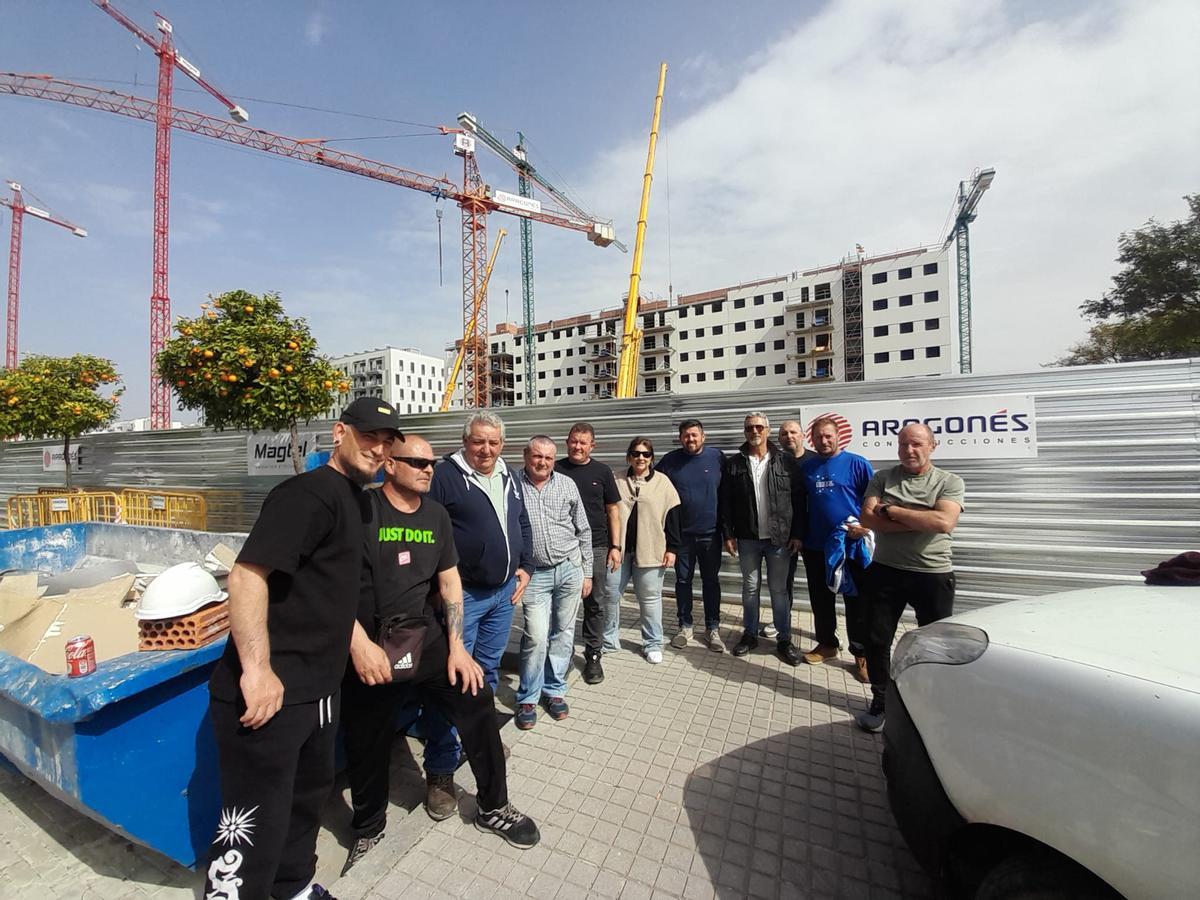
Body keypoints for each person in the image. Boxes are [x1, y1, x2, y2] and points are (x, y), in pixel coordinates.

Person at [203, 398, 401, 900]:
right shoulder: (307, 495)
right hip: (272, 694)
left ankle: (292, 888)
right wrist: (257, 670)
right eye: (369, 437)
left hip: (319, 690)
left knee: (305, 802)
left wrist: (358, 642)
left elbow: (327, 590)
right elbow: (247, 576)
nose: (379, 449)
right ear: (340, 433)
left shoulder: (356, 500)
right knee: (253, 819)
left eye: (387, 441)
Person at [340, 435, 539, 875]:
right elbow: (330, 584)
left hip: (425, 636)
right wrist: (358, 644)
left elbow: (449, 582)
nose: (428, 469)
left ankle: (493, 806)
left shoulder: (435, 515)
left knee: (477, 699)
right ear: (390, 465)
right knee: (367, 738)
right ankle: (369, 828)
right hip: (371, 645)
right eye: (417, 462)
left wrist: (457, 648)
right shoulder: (361, 510)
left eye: (431, 463)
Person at [423, 413, 533, 780]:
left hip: (503, 596)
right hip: (464, 596)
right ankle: (441, 767)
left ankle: (480, 739)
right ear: (465, 441)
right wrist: (435, 589)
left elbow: (521, 522)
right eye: (478, 441)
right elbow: (428, 534)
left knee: (487, 671)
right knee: (452, 678)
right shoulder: (445, 477)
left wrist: (526, 565)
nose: (486, 449)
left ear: (502, 444)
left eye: (493, 442)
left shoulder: (509, 475)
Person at [855, 423, 964, 733]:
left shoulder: (949, 481)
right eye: (903, 444)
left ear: (932, 446)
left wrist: (892, 511)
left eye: (916, 444)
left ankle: (930, 704)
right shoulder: (883, 478)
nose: (909, 450)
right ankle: (882, 700)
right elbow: (867, 519)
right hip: (885, 570)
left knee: (934, 644)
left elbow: (944, 522)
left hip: (932, 574)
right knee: (876, 639)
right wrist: (921, 518)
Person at [514, 435, 592, 729]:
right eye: (537, 456)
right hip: (534, 574)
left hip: (569, 568)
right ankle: (528, 696)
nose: (543, 462)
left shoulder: (567, 484)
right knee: (535, 635)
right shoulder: (513, 486)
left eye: (548, 457)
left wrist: (587, 572)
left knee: (563, 632)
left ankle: (555, 690)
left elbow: (583, 529)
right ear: (526, 455)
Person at [719, 411, 804, 665]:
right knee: (750, 588)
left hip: (779, 539)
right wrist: (728, 534)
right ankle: (750, 634)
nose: (754, 432)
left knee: (779, 590)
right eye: (749, 428)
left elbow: (799, 500)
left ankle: (784, 639)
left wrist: (797, 533)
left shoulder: (785, 461)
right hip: (748, 539)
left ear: (768, 430)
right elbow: (726, 503)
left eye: (758, 427)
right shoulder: (734, 464)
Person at [797, 416, 874, 681]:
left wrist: (864, 526)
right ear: (812, 439)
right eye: (818, 437)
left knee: (856, 601)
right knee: (821, 599)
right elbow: (801, 505)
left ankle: (861, 654)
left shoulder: (857, 463)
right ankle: (827, 644)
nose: (824, 440)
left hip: (850, 546)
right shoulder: (807, 468)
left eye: (828, 435)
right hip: (816, 545)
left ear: (838, 435)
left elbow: (873, 501)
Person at [555, 422, 621, 684]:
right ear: (567, 442)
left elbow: (613, 510)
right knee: (563, 603)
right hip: (563, 548)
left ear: (592, 445)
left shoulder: (602, 472)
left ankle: (593, 654)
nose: (577, 446)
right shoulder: (555, 469)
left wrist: (616, 546)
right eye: (574, 441)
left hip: (597, 546)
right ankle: (563, 653)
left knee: (595, 603)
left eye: (583, 442)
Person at [656, 418, 727, 652]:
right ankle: (684, 626)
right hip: (682, 537)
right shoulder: (670, 461)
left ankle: (712, 628)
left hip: (710, 535)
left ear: (703, 436)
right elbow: (652, 485)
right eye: (686, 435)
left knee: (711, 582)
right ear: (680, 438)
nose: (691, 439)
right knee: (683, 582)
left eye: (694, 435)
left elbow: (729, 494)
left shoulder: (717, 458)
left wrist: (729, 532)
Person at [613, 437, 681, 664]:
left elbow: (673, 516)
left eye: (645, 454)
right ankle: (608, 640)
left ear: (651, 458)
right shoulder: (616, 480)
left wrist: (672, 548)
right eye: (636, 453)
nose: (640, 458)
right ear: (628, 457)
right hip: (619, 551)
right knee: (610, 596)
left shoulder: (663, 482)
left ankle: (652, 643)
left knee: (650, 599)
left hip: (651, 550)